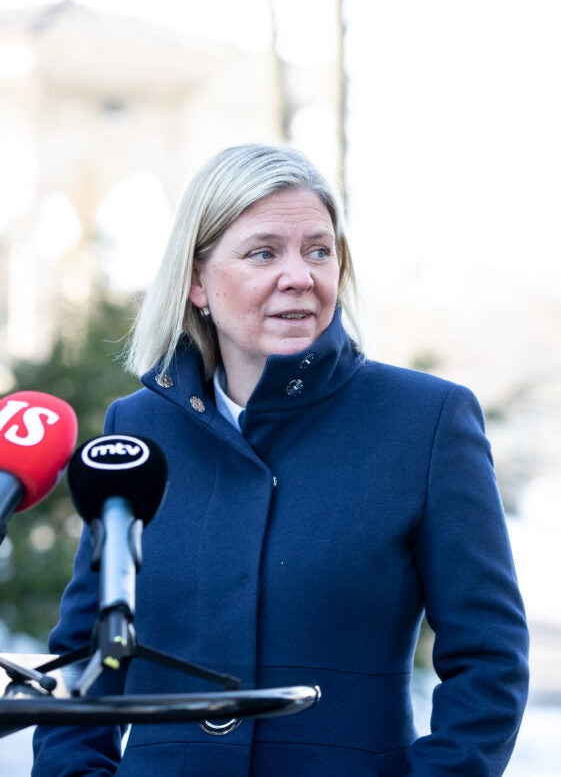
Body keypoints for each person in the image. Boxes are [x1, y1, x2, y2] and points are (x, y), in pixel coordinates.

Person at [32, 143, 529, 776]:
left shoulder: (426, 423)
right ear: (195, 281)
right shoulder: (138, 428)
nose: (299, 275)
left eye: (318, 250)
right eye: (264, 252)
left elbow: (489, 659)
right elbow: (84, 654)